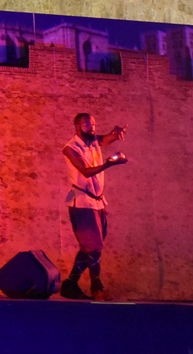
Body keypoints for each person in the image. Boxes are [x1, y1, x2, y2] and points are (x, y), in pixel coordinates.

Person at [59, 113, 127, 300]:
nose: (92, 128)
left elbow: (105, 139)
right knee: (95, 247)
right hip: (82, 203)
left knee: (89, 247)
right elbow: (85, 172)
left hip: (97, 202)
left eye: (94, 124)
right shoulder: (70, 149)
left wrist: (115, 134)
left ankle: (70, 284)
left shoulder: (93, 141)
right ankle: (97, 287)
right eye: (87, 125)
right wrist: (109, 164)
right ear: (77, 126)